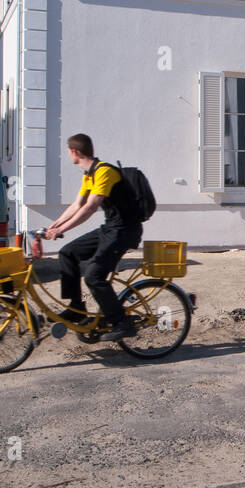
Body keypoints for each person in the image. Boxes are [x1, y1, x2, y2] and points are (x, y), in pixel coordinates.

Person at [44, 133, 142, 340]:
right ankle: (76, 306)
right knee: (67, 252)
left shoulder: (104, 171)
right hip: (110, 228)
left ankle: (122, 323)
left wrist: (62, 230)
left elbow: (90, 207)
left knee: (93, 276)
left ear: (74, 152)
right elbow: (77, 205)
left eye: (68, 151)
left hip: (125, 231)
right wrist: (53, 226)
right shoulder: (89, 174)